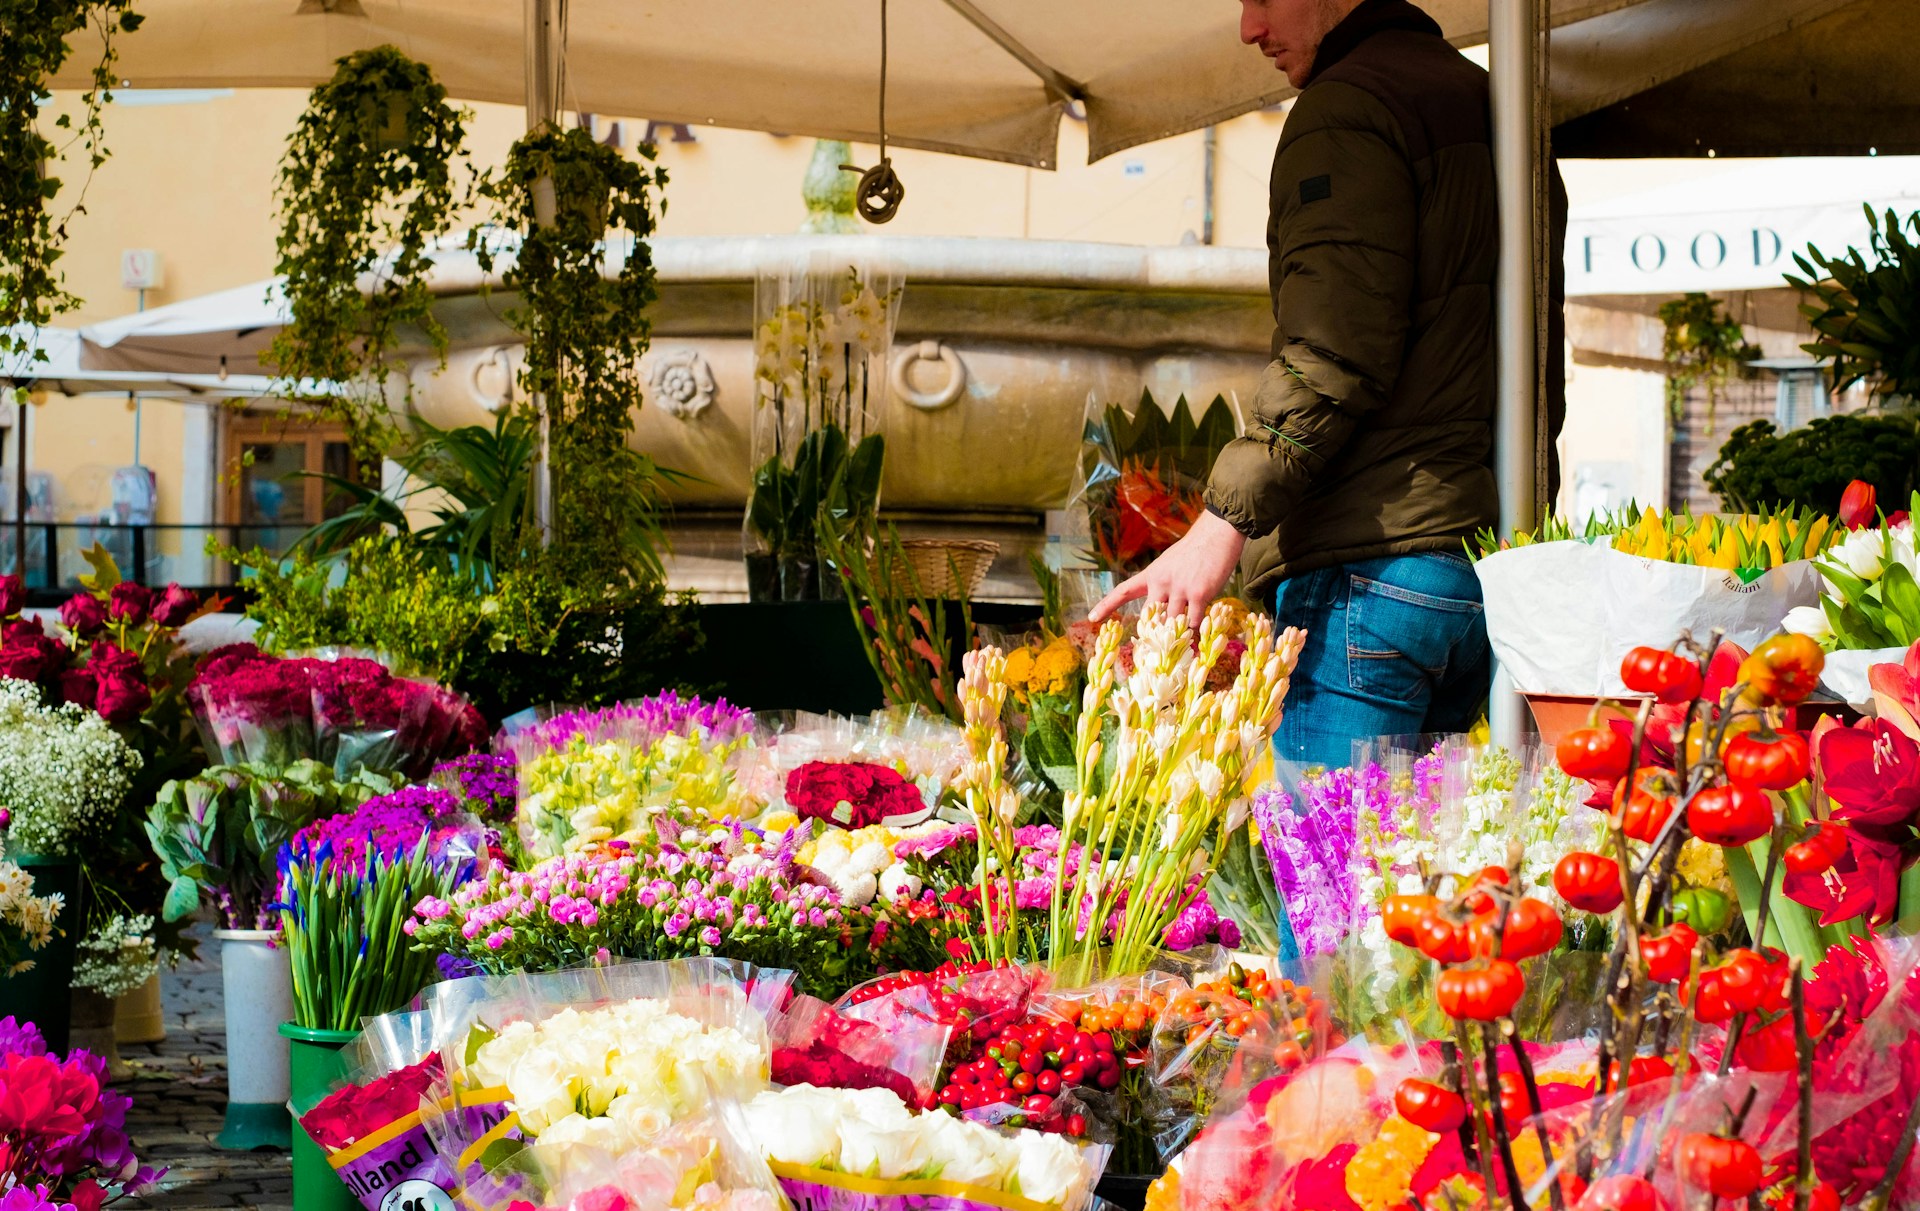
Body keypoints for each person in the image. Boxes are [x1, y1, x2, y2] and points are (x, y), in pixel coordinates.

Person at [1090, 0, 1565, 769]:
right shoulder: (1497, 108)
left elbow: (1333, 347)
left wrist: (1219, 527)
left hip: (1370, 572)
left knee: (1330, 884)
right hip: (1486, 568)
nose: (1249, 29)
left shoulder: (1346, 111)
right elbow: (1539, 367)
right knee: (1423, 880)